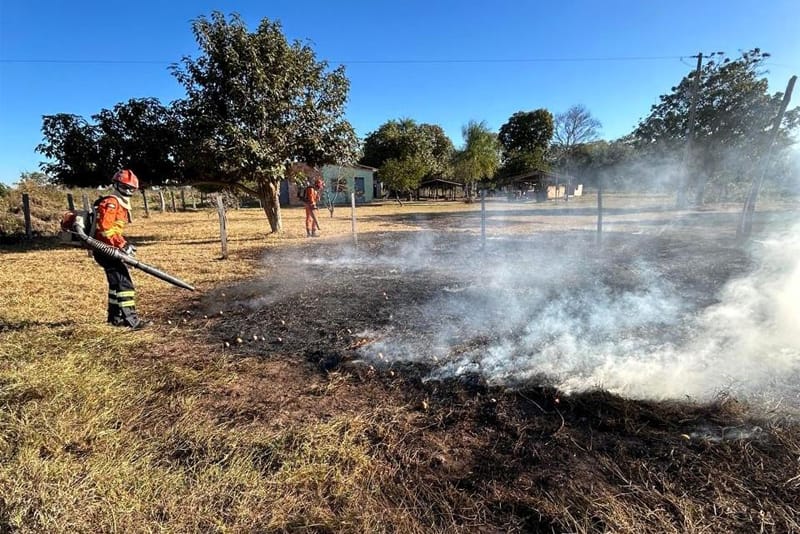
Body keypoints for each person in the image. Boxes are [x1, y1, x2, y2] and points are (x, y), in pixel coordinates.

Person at [92, 169, 143, 329]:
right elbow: (105, 230)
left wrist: (123, 244)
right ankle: (132, 321)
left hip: (109, 249)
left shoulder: (119, 204)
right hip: (105, 250)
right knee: (124, 284)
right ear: (116, 185)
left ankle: (115, 319)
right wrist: (122, 244)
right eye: (124, 187)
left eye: (131, 189)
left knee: (115, 285)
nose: (128, 191)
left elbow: (113, 230)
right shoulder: (111, 203)